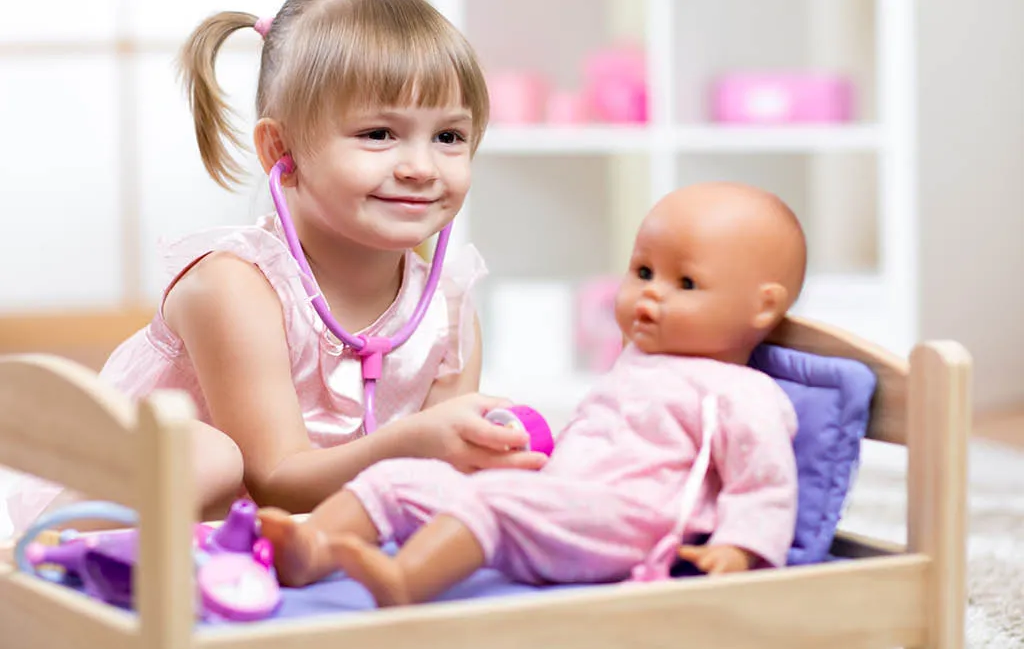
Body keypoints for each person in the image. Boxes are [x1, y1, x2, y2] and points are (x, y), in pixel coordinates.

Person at [2, 0, 547, 538]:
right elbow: (276, 482)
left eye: (449, 137)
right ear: (281, 149)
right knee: (205, 456)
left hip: (298, 538)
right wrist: (417, 442)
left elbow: (437, 480)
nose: (420, 167)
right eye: (378, 134)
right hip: (177, 513)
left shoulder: (448, 311)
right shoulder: (234, 285)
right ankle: (52, 555)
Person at [255, 181, 810, 607]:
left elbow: (764, 482)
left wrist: (741, 547)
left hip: (627, 525)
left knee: (495, 501)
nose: (649, 295)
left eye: (684, 284)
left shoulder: (742, 393)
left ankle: (404, 582)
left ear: (762, 307)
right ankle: (311, 551)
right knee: (404, 477)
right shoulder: (640, 364)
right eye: (642, 271)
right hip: (559, 500)